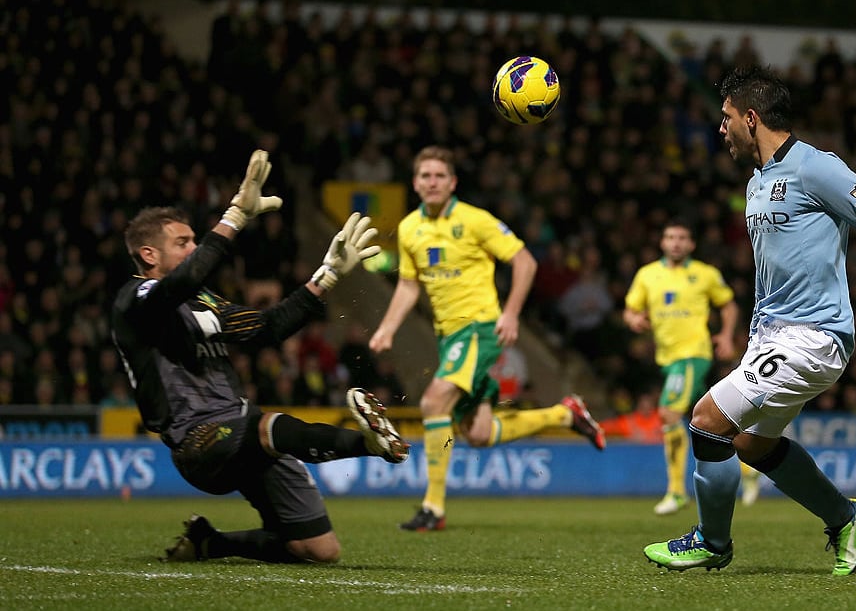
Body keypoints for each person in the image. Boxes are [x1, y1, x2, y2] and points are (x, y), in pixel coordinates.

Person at [643, 67, 856, 576]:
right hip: (773, 336)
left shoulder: (817, 168)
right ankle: (846, 517)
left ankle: (712, 541)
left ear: (751, 118)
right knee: (752, 444)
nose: (721, 128)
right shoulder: (758, 182)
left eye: (727, 117)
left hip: (815, 337)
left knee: (707, 421)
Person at [112, 150, 410, 564]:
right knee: (268, 427)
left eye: (195, 240)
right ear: (149, 255)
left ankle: (210, 542)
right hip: (200, 442)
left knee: (319, 550)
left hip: (241, 431)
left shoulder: (205, 302)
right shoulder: (137, 300)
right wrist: (235, 214)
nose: (195, 248)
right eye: (183, 243)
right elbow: (182, 282)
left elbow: (268, 328)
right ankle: (369, 444)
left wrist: (326, 276)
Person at [369, 145, 605, 532]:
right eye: (425, 175)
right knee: (478, 434)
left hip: (478, 328)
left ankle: (433, 507)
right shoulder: (410, 228)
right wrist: (387, 328)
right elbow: (409, 286)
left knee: (433, 402)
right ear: (414, 182)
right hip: (449, 336)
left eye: (439, 176)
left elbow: (525, 261)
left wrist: (511, 313)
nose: (431, 182)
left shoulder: (475, 220)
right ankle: (565, 414)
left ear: (452, 183)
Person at [623, 220, 762, 515]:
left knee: (668, 413)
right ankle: (749, 472)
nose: (676, 242)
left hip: (693, 354)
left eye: (682, 238)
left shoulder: (705, 275)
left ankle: (675, 492)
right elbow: (631, 309)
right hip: (667, 358)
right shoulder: (647, 275)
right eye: (670, 237)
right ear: (662, 242)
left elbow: (728, 304)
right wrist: (633, 319)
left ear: (691, 245)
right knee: (714, 423)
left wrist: (725, 335)